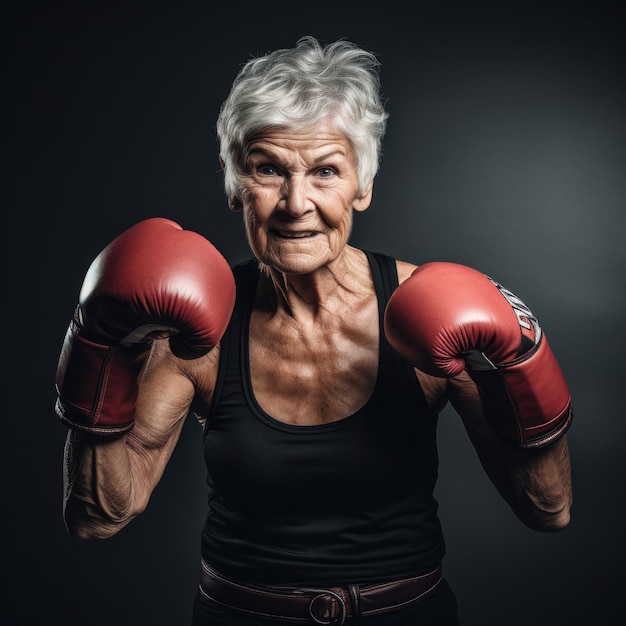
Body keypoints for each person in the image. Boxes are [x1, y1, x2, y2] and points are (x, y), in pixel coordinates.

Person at [55, 36, 573, 625]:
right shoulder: (199, 332)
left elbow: (547, 510)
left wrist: (520, 363)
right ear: (234, 185)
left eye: (325, 171)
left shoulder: (427, 307)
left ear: (363, 185)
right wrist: (104, 350)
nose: (296, 202)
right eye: (268, 169)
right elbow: (99, 516)